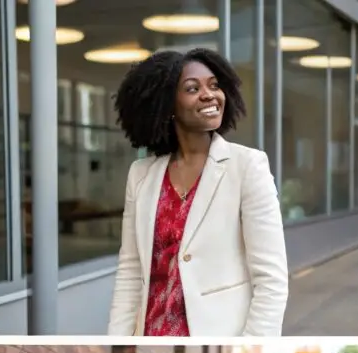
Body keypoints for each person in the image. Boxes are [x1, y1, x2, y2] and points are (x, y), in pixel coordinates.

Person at [107, 48, 288, 337]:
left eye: (214, 85)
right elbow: (130, 270)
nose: (209, 95)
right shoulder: (141, 175)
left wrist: (251, 345)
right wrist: (116, 336)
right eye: (193, 88)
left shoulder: (247, 167)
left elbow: (271, 281)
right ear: (166, 105)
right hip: (151, 332)